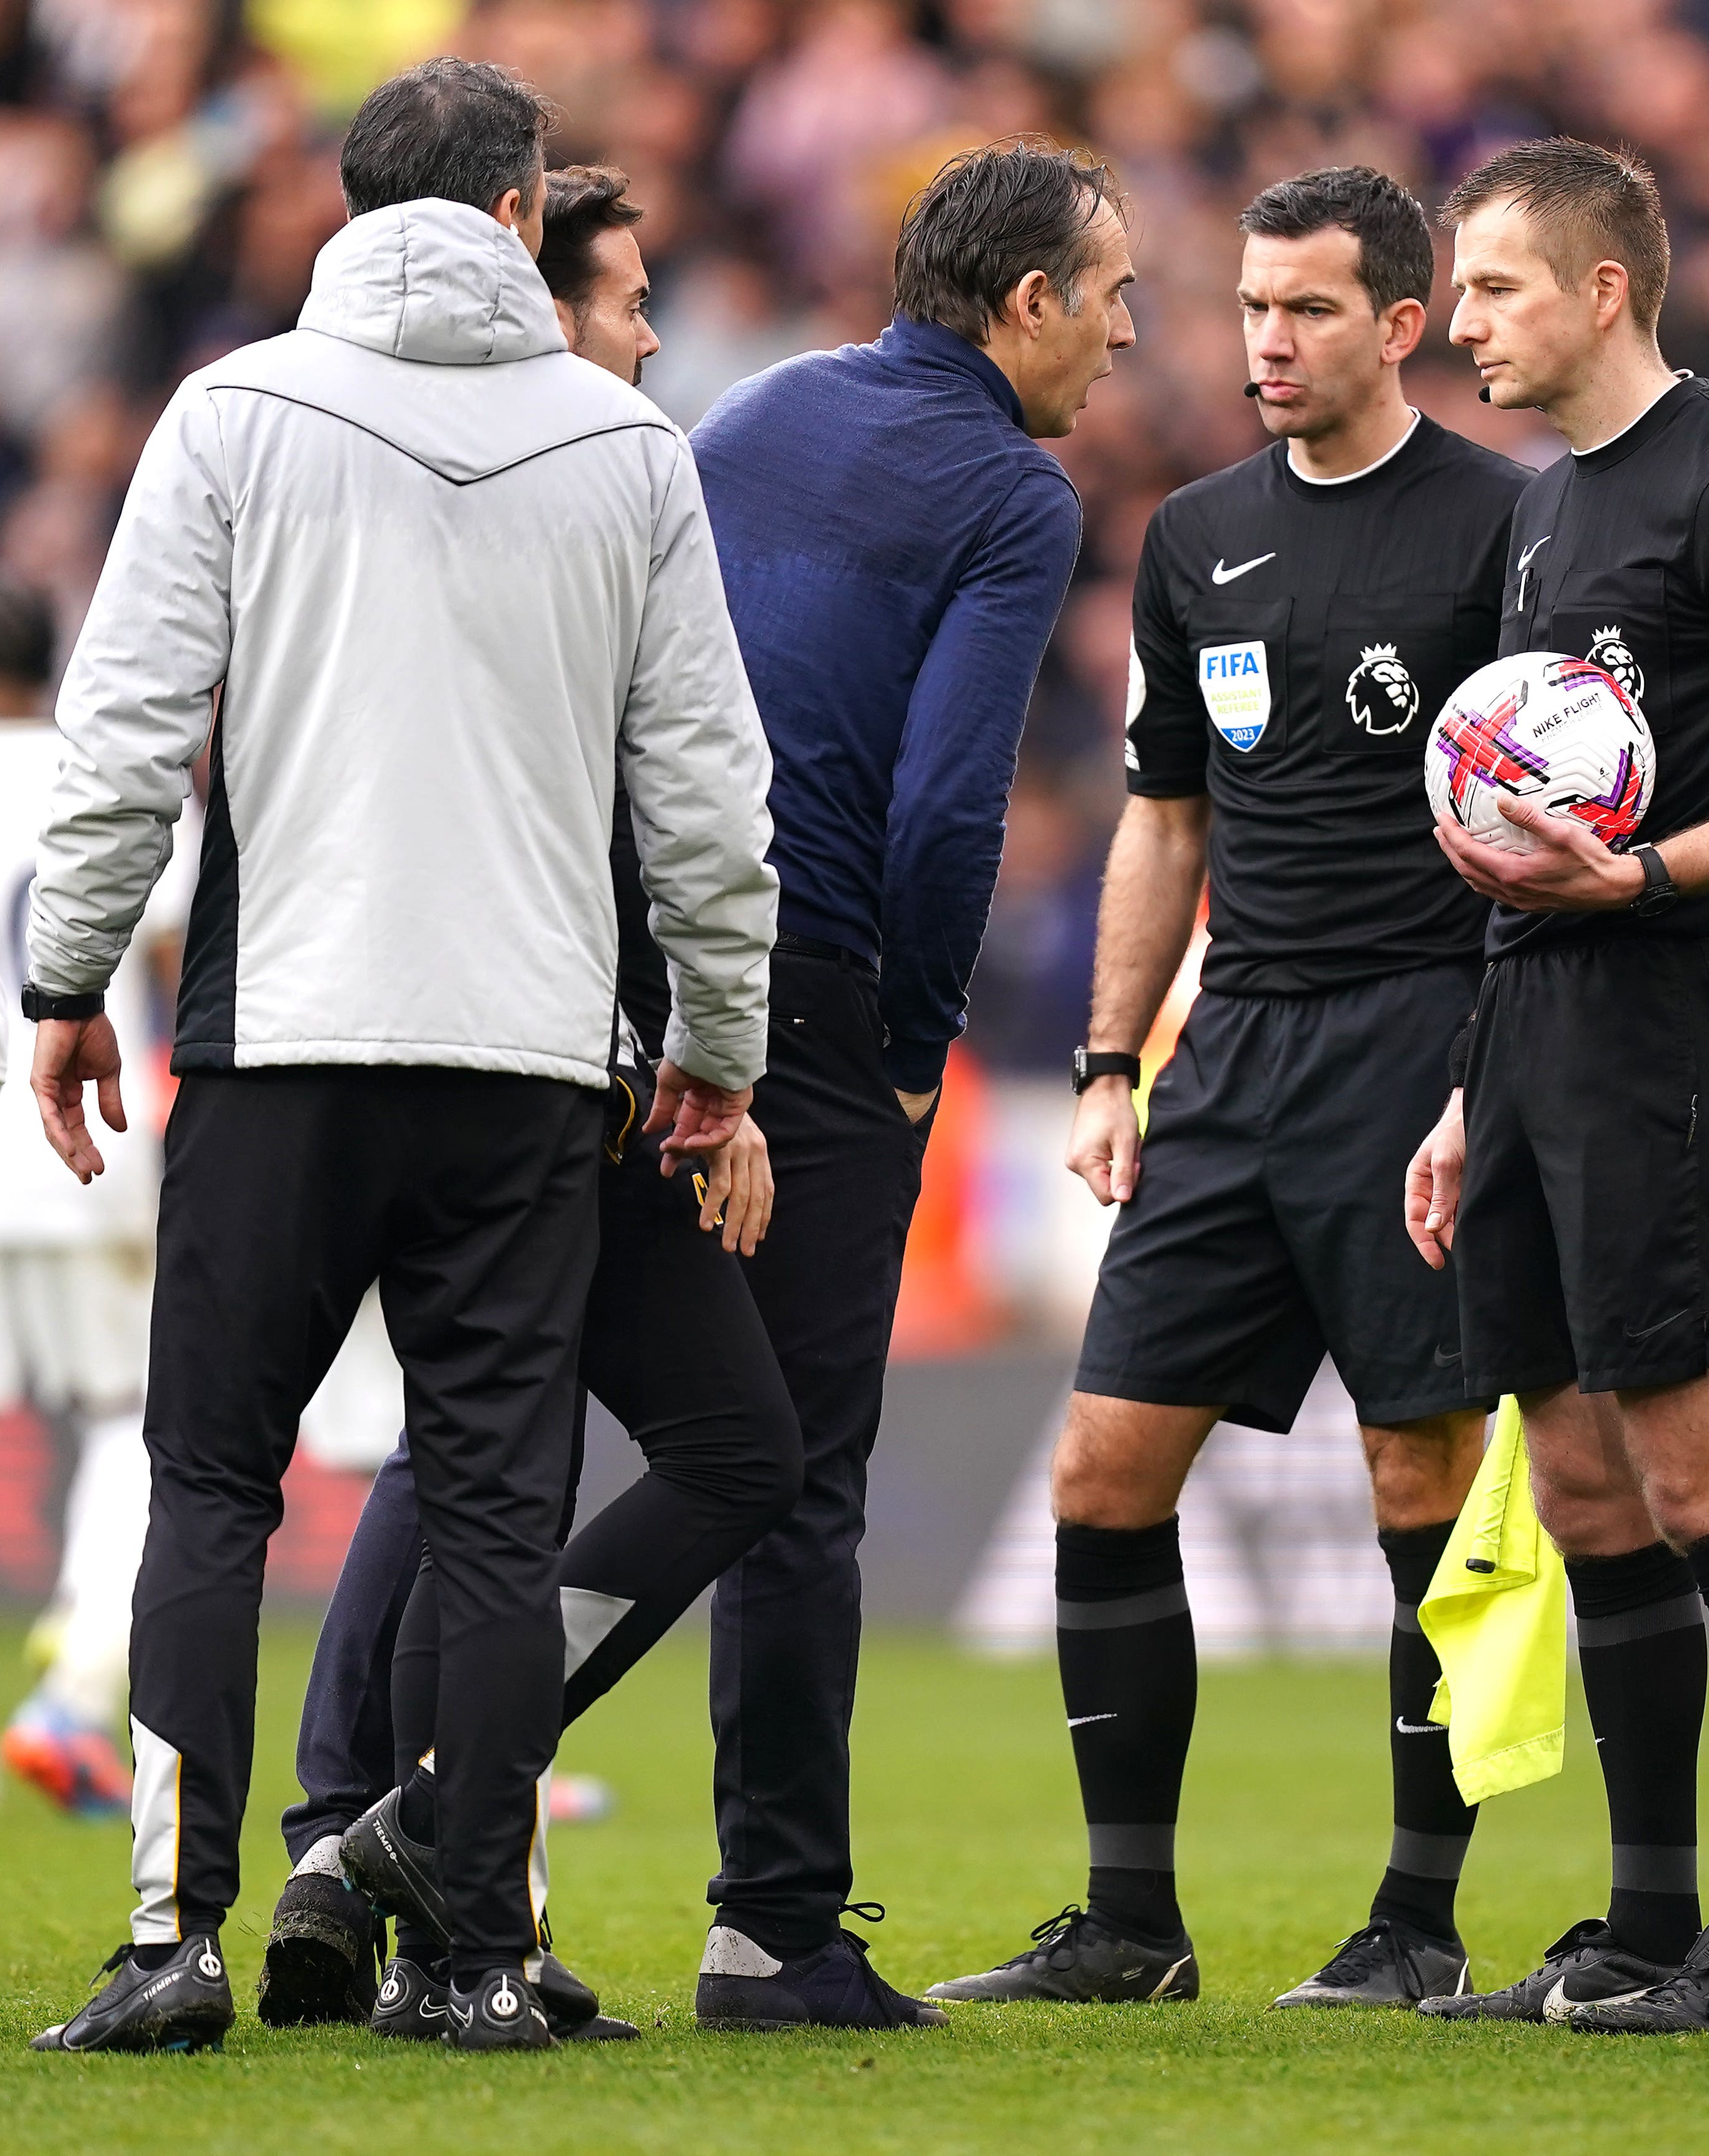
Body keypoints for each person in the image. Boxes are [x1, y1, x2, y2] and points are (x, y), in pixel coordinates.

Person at [23, 60, 777, 2056]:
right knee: (498, 1514)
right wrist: (718, 1041)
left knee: (210, 1487)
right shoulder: (625, 445)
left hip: (280, 1040)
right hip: (524, 1062)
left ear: (349, 205)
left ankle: (172, 1940)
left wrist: (65, 974)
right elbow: (707, 789)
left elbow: (124, 734)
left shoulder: (234, 413)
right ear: (526, 213)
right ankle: (466, 1955)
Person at [924, 167, 1524, 2015]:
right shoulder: (1195, 537)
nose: (1268, 339)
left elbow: (1548, 808)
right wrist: (1113, 1057)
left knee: (1420, 1473)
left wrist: (1490, 1071)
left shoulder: (1510, 524)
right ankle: (1129, 1921)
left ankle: (1416, 1917)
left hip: (1420, 1037)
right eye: (1254, 306)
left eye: (1314, 309)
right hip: (1234, 1050)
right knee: (1106, 1469)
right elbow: (1165, 814)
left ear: (1403, 325)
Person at [262, 165, 794, 2048]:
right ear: (539, 304)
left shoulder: (365, 484)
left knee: (467, 1450)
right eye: (629, 296)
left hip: (426, 1037)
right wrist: (712, 1064)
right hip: (565, 1061)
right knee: (713, 1446)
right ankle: (425, 1835)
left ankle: (358, 1834)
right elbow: (686, 809)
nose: (651, 335)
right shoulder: (603, 485)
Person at [1403, 138, 1709, 2036]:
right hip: (1528, 1039)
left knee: (1700, 1460)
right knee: (1583, 1474)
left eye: (1497, 286)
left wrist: (1654, 871)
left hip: (1668, 1024)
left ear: (1605, 289)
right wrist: (1465, 1088)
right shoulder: (1541, 507)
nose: (1466, 321)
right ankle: (1649, 1918)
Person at [679, 136, 1132, 2030]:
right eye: (1111, 298)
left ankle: (369, 1826)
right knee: (792, 1475)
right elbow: (953, 804)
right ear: (1025, 300)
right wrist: (911, 1042)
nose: (1124, 340)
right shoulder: (1010, 493)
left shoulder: (757, 410)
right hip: (816, 989)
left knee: (503, 1428)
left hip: (634, 964)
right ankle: (773, 1924)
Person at [0, 570, 172, 1825]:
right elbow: (171, 957)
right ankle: (76, 1686)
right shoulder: (93, 771)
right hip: (97, 1140)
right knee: (130, 1420)